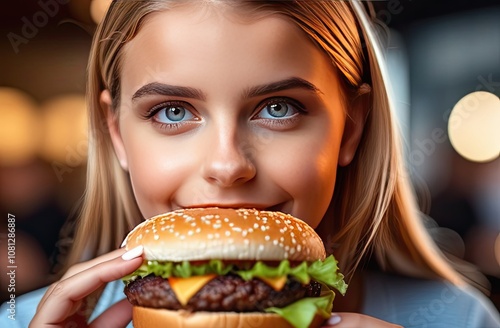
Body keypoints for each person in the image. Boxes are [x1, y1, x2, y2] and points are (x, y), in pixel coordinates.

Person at [2, 0, 499, 327]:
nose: (226, 165)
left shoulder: (460, 320)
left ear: (350, 127)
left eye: (277, 108)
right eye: (172, 112)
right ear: (118, 135)